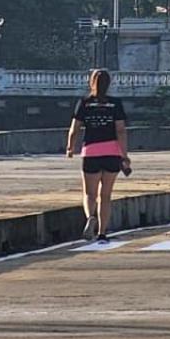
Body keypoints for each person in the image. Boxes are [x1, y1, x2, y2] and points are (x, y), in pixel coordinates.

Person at [65, 69, 129, 242]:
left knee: (89, 194)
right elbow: (121, 131)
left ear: (91, 82)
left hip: (91, 152)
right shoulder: (115, 104)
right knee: (106, 195)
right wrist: (124, 155)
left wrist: (70, 148)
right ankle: (102, 233)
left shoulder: (84, 103)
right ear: (109, 84)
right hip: (112, 153)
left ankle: (90, 217)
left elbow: (74, 130)